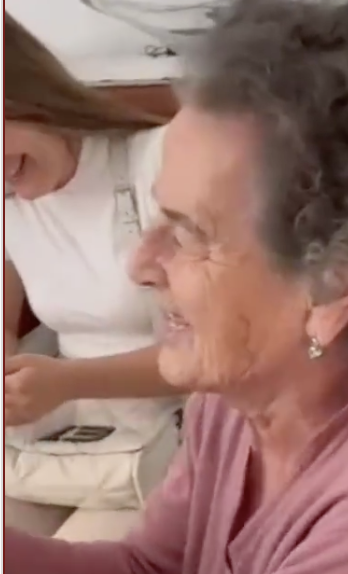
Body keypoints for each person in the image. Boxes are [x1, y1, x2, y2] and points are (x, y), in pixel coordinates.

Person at [5, 0, 348, 572]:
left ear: (330, 289)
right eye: (160, 216)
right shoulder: (245, 392)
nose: (140, 264)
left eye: (190, 233)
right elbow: (152, 566)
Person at [4, 13, 183, 541]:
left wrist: (67, 382)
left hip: (179, 431)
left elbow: (219, 353)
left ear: (20, 92)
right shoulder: (11, 196)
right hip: (67, 431)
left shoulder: (162, 163)